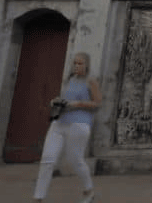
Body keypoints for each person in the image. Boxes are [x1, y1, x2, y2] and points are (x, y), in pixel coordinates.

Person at [33, 52, 101, 203]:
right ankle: (38, 197)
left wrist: (77, 104)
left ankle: (89, 190)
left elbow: (97, 104)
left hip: (79, 124)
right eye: (75, 63)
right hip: (59, 122)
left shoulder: (91, 81)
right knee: (48, 159)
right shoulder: (69, 80)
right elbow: (65, 99)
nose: (77, 66)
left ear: (87, 65)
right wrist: (57, 101)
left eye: (80, 63)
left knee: (75, 160)